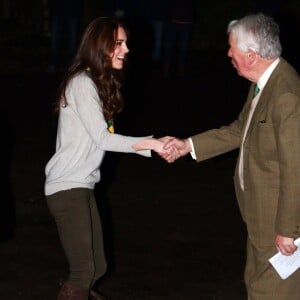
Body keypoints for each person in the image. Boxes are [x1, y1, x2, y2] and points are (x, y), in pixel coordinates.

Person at [163, 13, 300, 299]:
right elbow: (240, 130)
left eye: (232, 48)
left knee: (270, 293)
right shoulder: (263, 83)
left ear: (251, 55)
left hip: (279, 226)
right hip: (260, 218)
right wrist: (188, 145)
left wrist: (289, 229)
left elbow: (296, 168)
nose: (227, 53)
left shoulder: (286, 95)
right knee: (256, 285)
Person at [44, 17, 173, 300]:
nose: (126, 50)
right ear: (99, 45)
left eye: (125, 43)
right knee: (83, 270)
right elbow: (103, 139)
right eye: (118, 43)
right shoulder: (81, 83)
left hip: (81, 185)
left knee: (97, 266)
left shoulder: (98, 84)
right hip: (67, 187)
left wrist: (151, 143)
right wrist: (151, 143)